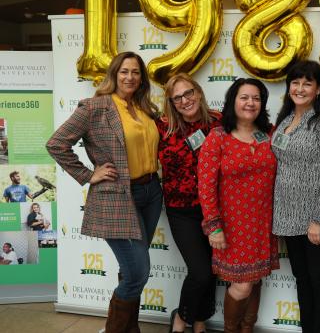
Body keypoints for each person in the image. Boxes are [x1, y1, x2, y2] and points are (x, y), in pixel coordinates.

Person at [46, 51, 162, 333]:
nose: (130, 77)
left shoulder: (146, 108)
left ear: (142, 78)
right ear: (114, 74)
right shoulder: (94, 107)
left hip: (151, 193)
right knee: (137, 273)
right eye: (124, 71)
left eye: (135, 72)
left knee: (130, 271)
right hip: (117, 198)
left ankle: (129, 329)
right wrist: (88, 175)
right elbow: (56, 143)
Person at [272, 60, 320, 333]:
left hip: (316, 221)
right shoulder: (285, 119)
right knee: (302, 282)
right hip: (289, 220)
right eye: (295, 82)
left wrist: (318, 220)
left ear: (319, 89)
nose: (300, 88)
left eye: (307, 83)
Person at [197, 78, 278, 333]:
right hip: (232, 226)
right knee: (242, 284)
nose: (250, 103)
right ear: (233, 101)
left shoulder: (270, 134)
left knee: (254, 280)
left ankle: (247, 329)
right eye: (244, 97)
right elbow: (206, 185)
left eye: (256, 98)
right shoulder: (218, 137)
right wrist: (213, 226)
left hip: (263, 222)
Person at [157, 73, 221, 333]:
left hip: (215, 209)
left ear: (198, 92)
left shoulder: (219, 122)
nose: (185, 101)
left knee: (213, 270)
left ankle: (199, 321)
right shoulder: (162, 127)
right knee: (200, 271)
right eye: (177, 98)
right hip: (181, 210)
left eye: (188, 93)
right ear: (172, 104)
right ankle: (181, 318)